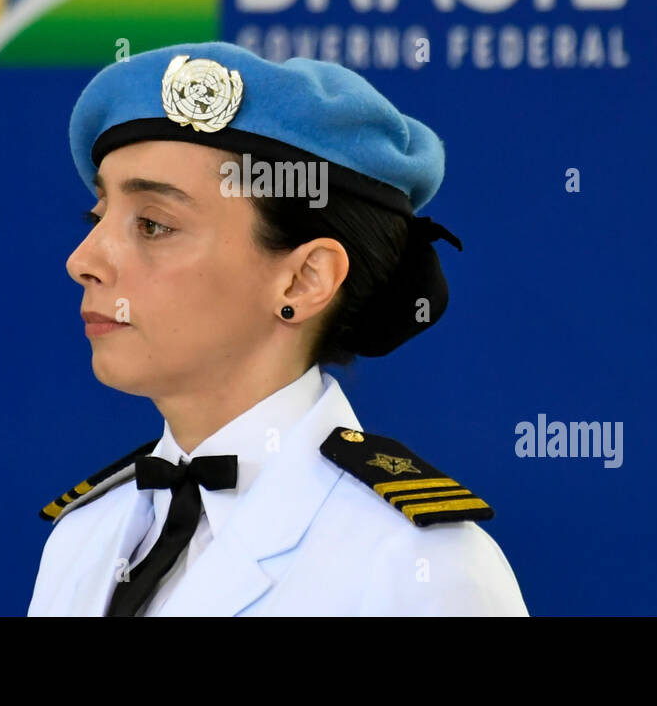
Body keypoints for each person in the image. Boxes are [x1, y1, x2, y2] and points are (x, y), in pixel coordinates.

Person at [27, 41, 529, 616]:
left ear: (305, 280)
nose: (82, 259)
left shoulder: (421, 566)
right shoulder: (83, 536)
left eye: (153, 224)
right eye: (98, 217)